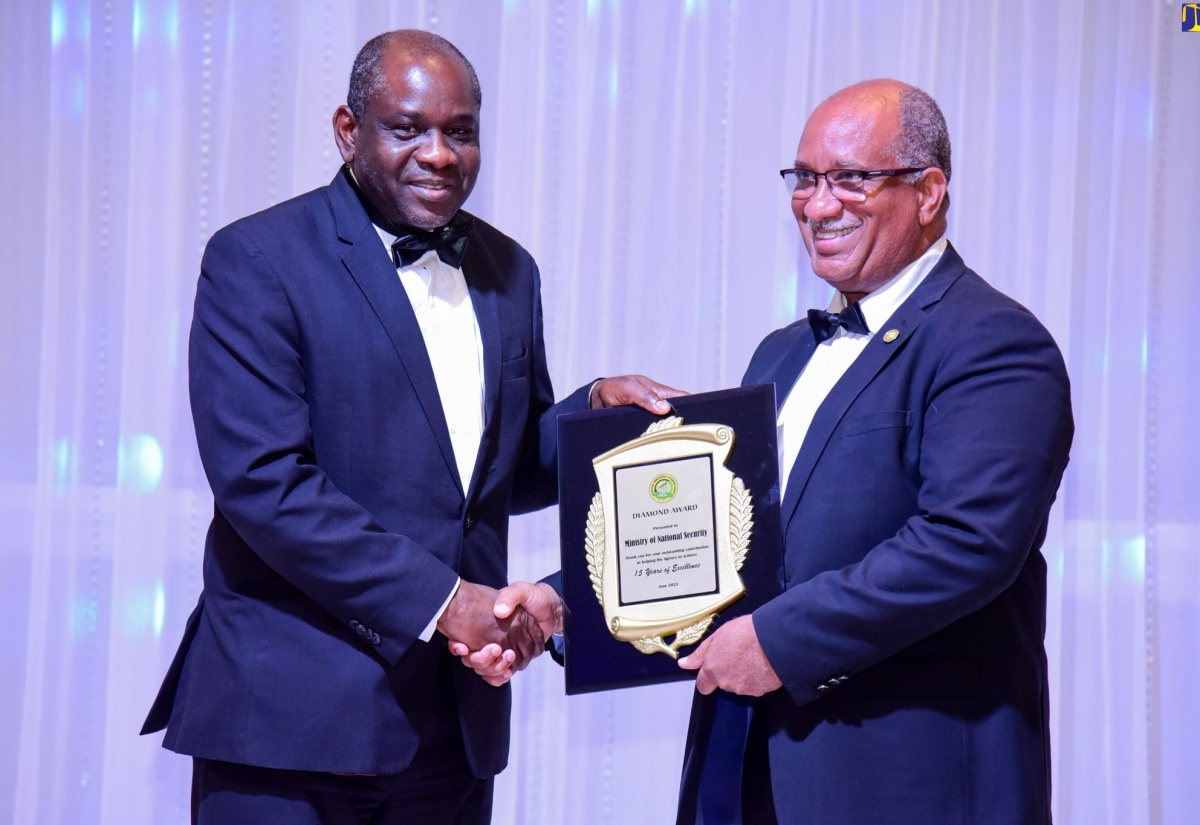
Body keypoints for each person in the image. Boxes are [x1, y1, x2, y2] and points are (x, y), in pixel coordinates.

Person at [140, 29, 680, 824]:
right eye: (408, 128)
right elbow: (265, 485)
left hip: (453, 728)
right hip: (291, 724)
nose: (439, 153)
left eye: (460, 131)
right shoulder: (257, 258)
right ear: (347, 131)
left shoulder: (509, 269)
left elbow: (502, 468)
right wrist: (445, 600)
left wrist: (594, 415)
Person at [668, 79, 1074, 823]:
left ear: (928, 192)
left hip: (901, 781)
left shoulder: (993, 342)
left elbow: (965, 544)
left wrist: (776, 640)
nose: (819, 205)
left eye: (852, 178)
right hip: (745, 768)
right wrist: (569, 601)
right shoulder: (780, 352)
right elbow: (731, 533)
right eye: (806, 178)